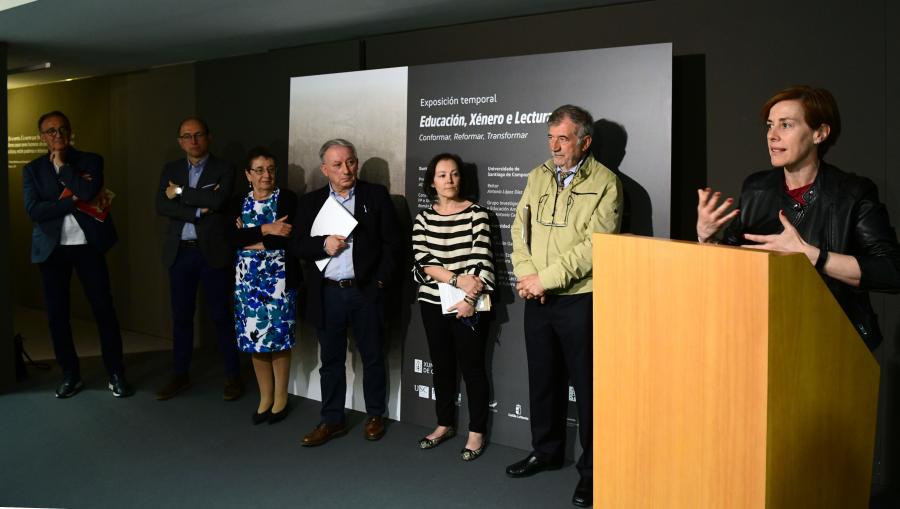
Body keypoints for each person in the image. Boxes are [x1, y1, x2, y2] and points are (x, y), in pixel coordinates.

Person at [697, 85, 900, 349]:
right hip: (766, 335)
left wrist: (812, 256)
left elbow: (892, 272)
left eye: (786, 125)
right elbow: (733, 264)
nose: (772, 136)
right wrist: (708, 237)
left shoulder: (853, 193)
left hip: (834, 340)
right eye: (770, 125)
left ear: (820, 133)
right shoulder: (757, 189)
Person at [508, 104, 623, 508]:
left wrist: (547, 278)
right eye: (551, 138)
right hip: (536, 297)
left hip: (579, 300)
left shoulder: (607, 183)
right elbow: (518, 229)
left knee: (588, 389)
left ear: (584, 142)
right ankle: (546, 451)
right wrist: (528, 277)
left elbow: (594, 246)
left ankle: (592, 473)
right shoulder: (537, 176)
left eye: (564, 138)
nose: (555, 146)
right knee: (542, 380)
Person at [294, 138, 401, 446]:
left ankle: (375, 415)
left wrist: (379, 282)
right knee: (330, 361)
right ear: (324, 169)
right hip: (327, 293)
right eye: (338, 165)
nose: (346, 169)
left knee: (373, 357)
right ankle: (332, 420)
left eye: (351, 162)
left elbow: (393, 245)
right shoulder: (311, 202)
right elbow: (297, 244)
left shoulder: (375, 196)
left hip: (365, 291)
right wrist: (322, 245)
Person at [22, 111, 134, 398]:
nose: (57, 135)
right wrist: (73, 199)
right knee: (57, 316)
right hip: (52, 249)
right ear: (42, 137)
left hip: (88, 247)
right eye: (50, 131)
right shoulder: (32, 170)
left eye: (62, 129)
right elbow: (35, 210)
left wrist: (62, 168)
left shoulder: (90, 160)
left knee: (103, 310)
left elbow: (89, 189)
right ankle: (71, 375)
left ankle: (116, 373)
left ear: (70, 132)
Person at [412, 153, 494, 461]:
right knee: (442, 367)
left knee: (473, 369)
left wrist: (469, 299)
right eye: (442, 174)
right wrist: (458, 279)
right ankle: (444, 424)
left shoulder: (478, 215)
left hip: (468, 306)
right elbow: (422, 261)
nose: (449, 180)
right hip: (432, 304)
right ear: (432, 181)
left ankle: (476, 432)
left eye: (455, 174)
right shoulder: (423, 218)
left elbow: (482, 261)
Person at [155, 117, 243, 401]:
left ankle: (233, 376)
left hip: (213, 254)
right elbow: (161, 205)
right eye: (187, 136)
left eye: (198, 135)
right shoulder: (171, 168)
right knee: (181, 317)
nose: (193, 141)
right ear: (180, 141)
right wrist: (197, 208)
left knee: (221, 316)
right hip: (180, 253)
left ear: (209, 137)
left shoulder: (224, 168)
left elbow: (218, 202)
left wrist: (180, 192)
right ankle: (180, 375)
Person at [226, 147, 299, 424]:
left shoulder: (288, 199)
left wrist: (248, 237)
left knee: (278, 339)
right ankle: (265, 397)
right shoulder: (236, 202)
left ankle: (281, 397)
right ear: (248, 175)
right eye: (259, 170)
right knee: (255, 340)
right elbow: (229, 238)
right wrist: (267, 229)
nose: (266, 175)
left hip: (279, 280)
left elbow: (287, 238)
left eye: (270, 169)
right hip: (247, 283)